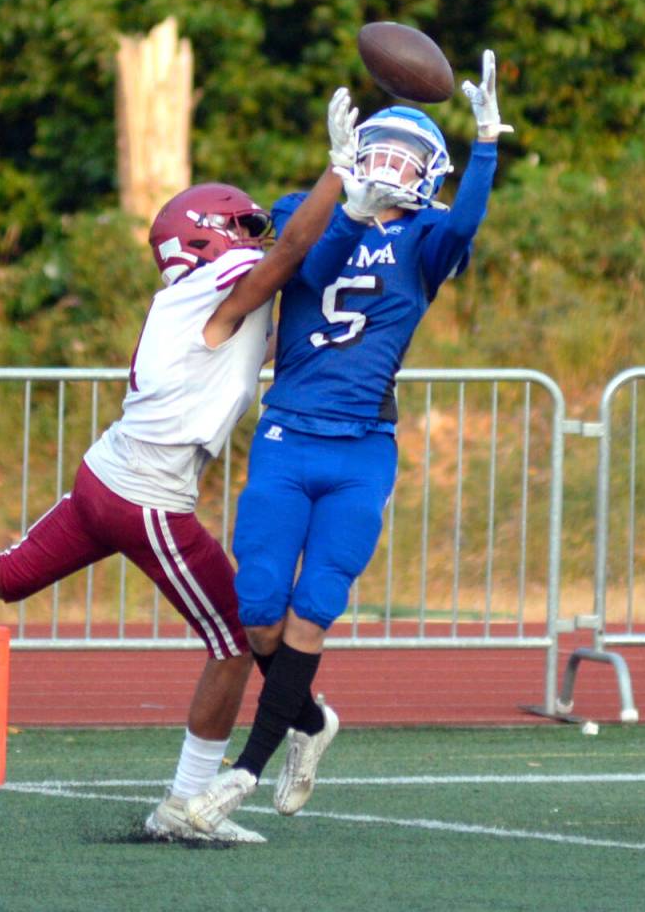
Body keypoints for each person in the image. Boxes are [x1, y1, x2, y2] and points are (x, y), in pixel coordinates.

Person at [0, 89, 401, 844]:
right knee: (236, 642)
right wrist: (338, 176)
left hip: (105, 476)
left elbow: (282, 331)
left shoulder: (192, 296)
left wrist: (355, 225)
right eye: (242, 225)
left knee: (6, 574)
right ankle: (186, 801)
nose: (255, 236)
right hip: (149, 500)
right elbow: (293, 252)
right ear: (209, 235)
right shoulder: (218, 285)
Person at [186, 49, 512, 835]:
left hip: (363, 446)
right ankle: (308, 719)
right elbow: (309, 264)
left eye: (409, 159)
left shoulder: (432, 235)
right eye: (380, 151)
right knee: (258, 607)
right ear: (354, 153)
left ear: (431, 173)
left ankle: (241, 775)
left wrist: (489, 146)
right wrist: (348, 201)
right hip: (288, 434)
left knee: (316, 606)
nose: (392, 167)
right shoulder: (312, 205)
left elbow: (465, 221)